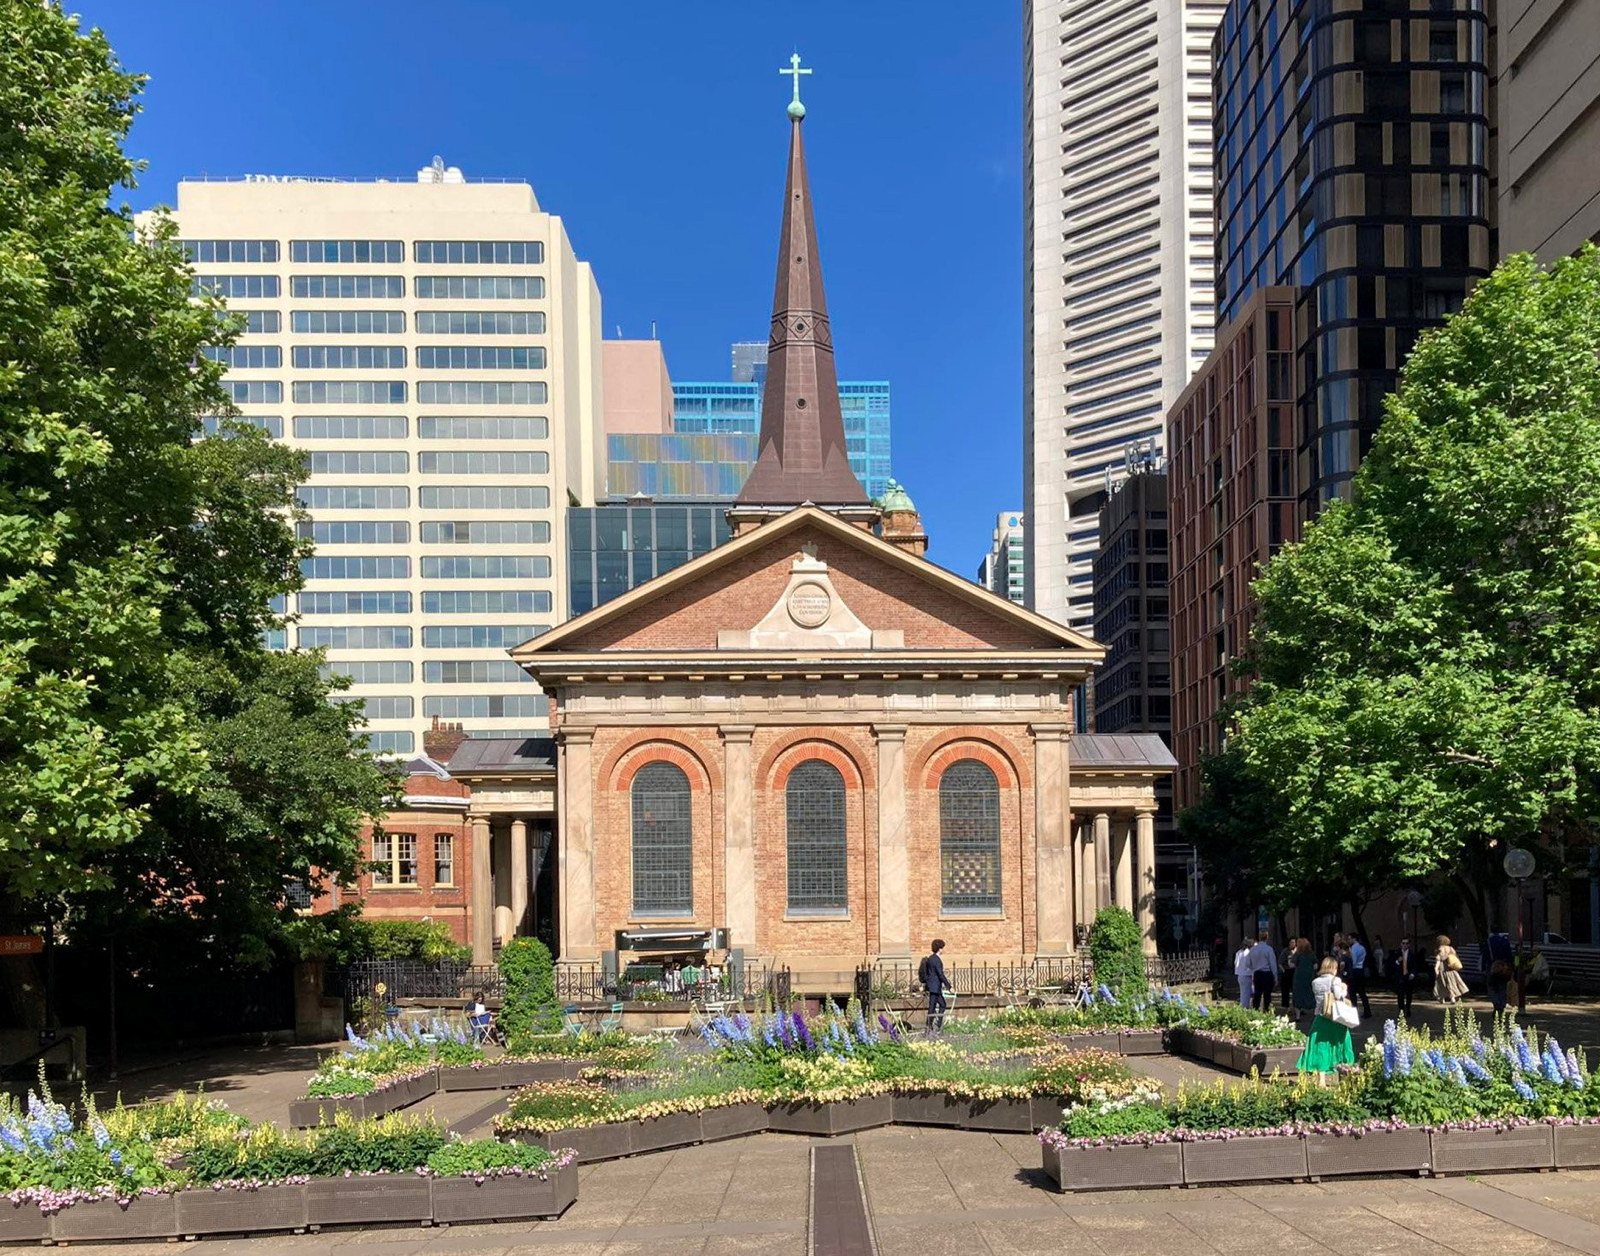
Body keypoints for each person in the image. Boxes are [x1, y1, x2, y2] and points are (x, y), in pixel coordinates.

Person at [1297, 958, 1357, 1075]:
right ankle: (1344, 1072)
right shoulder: (1336, 980)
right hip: (1336, 1018)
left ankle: (1321, 1078)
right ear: (1333, 968)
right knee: (1340, 1043)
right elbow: (1339, 996)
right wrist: (1344, 988)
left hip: (1321, 1017)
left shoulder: (1315, 982)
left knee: (1320, 1047)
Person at [919, 939, 952, 1035]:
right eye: (942, 948)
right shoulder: (936, 960)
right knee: (939, 1006)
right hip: (935, 987)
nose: (943, 950)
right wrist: (949, 986)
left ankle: (930, 1026)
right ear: (939, 949)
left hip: (932, 986)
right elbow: (940, 974)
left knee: (935, 1006)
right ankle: (936, 1026)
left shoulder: (930, 958)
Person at [1434, 934, 1468, 1005]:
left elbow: (1438, 959)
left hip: (1442, 969)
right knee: (1451, 984)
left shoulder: (1439, 949)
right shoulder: (1451, 949)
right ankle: (1452, 998)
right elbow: (1455, 957)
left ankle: (1442, 998)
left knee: (1441, 984)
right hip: (1451, 969)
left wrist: (1436, 968)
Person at [1248, 930, 1278, 1010]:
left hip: (1257, 973)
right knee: (1267, 994)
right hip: (1267, 974)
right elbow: (1273, 964)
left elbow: (1249, 963)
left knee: (1257, 993)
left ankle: (1255, 1009)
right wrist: (1275, 977)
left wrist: (1253, 969)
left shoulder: (1253, 949)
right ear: (1267, 938)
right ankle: (1266, 1009)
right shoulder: (1269, 949)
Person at [1392, 937, 1419, 1017]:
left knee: (1408, 995)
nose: (1405, 945)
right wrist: (1397, 961)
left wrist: (1413, 974)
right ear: (1401, 944)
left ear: (1409, 945)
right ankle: (1401, 1010)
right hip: (1400, 976)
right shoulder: (1397, 953)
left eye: (1406, 943)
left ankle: (1408, 1008)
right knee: (1400, 995)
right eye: (1403, 943)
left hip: (1409, 976)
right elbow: (1391, 965)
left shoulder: (1412, 954)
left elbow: (1415, 966)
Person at [1346, 934, 1371, 1019]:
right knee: (1362, 993)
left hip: (1355, 971)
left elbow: (1354, 960)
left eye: (1349, 939)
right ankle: (1367, 1011)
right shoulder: (1362, 948)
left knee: (1353, 993)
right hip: (1361, 970)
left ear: (1354, 939)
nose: (1348, 941)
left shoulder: (1353, 948)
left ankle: (1354, 1012)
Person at [1233, 938, 1255, 1008]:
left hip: (1240, 975)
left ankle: (1243, 1006)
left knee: (1242, 993)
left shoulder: (1239, 952)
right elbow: (1249, 963)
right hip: (1247, 974)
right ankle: (1245, 1007)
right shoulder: (1248, 952)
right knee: (1246, 993)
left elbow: (1235, 963)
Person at [1278, 939, 1297, 1008]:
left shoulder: (1298, 951)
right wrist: (1283, 970)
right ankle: (1285, 1005)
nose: (1293, 944)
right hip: (1287, 971)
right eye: (1292, 942)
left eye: (1294, 942)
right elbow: (1280, 962)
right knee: (1286, 989)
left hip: (1295, 971)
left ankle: (1297, 1006)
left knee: (1296, 990)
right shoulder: (1285, 951)